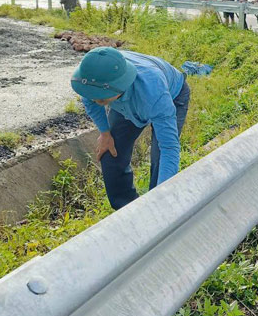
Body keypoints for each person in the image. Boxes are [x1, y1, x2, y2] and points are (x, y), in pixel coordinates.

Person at [71, 47, 191, 210]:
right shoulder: (94, 78)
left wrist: (163, 195)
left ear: (119, 86)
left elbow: (169, 147)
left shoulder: (153, 93)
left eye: (99, 96)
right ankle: (128, 211)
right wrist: (105, 133)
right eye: (92, 94)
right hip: (123, 102)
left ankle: (158, 209)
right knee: (110, 152)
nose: (93, 97)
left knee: (160, 158)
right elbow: (90, 102)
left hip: (172, 95)